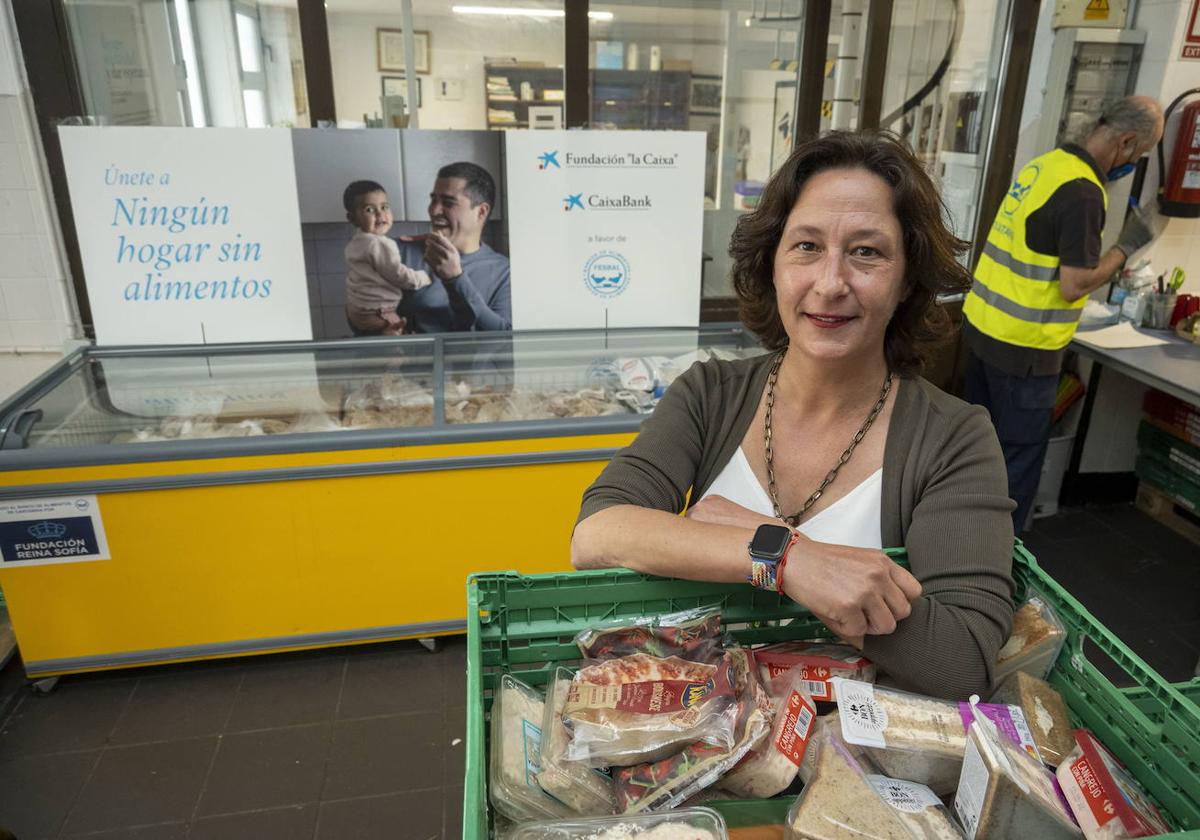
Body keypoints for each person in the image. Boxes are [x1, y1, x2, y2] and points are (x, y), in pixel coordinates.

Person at [572, 131, 1016, 700]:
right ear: (774, 264)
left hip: (852, 754)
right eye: (806, 246)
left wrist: (742, 542)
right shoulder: (711, 394)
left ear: (907, 279)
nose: (830, 284)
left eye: (867, 252)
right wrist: (784, 558)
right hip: (704, 724)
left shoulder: (952, 437)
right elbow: (598, 532)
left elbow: (961, 660)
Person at [962, 96, 1165, 531]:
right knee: (1016, 463)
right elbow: (1075, 283)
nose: (1135, 163)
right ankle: (1003, 568)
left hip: (983, 329)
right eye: (1140, 155)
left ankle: (962, 539)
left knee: (978, 451)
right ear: (1126, 142)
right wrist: (1127, 246)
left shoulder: (1046, 165)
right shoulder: (1084, 193)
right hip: (1024, 349)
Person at [396, 162, 512, 332]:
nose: (434, 210)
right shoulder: (400, 252)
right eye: (433, 199)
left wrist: (455, 279)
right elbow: (360, 313)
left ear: (481, 212)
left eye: (448, 203)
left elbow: (501, 338)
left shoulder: (504, 272)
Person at [342, 180, 432, 336]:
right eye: (369, 209)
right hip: (378, 312)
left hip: (356, 309)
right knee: (398, 341)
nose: (380, 214)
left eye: (385, 207)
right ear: (352, 218)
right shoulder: (379, 243)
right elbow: (399, 275)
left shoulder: (357, 241)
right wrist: (425, 277)